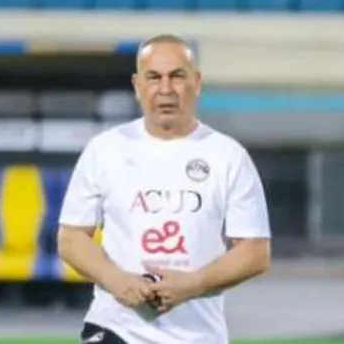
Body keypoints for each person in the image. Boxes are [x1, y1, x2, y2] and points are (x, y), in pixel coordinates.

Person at [57, 34, 272, 344]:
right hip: (116, 329)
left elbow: (255, 252)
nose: (166, 89)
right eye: (154, 77)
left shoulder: (228, 156)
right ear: (137, 85)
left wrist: (193, 284)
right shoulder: (104, 150)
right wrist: (115, 279)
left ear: (197, 82)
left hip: (198, 335)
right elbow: (71, 238)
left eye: (177, 76)